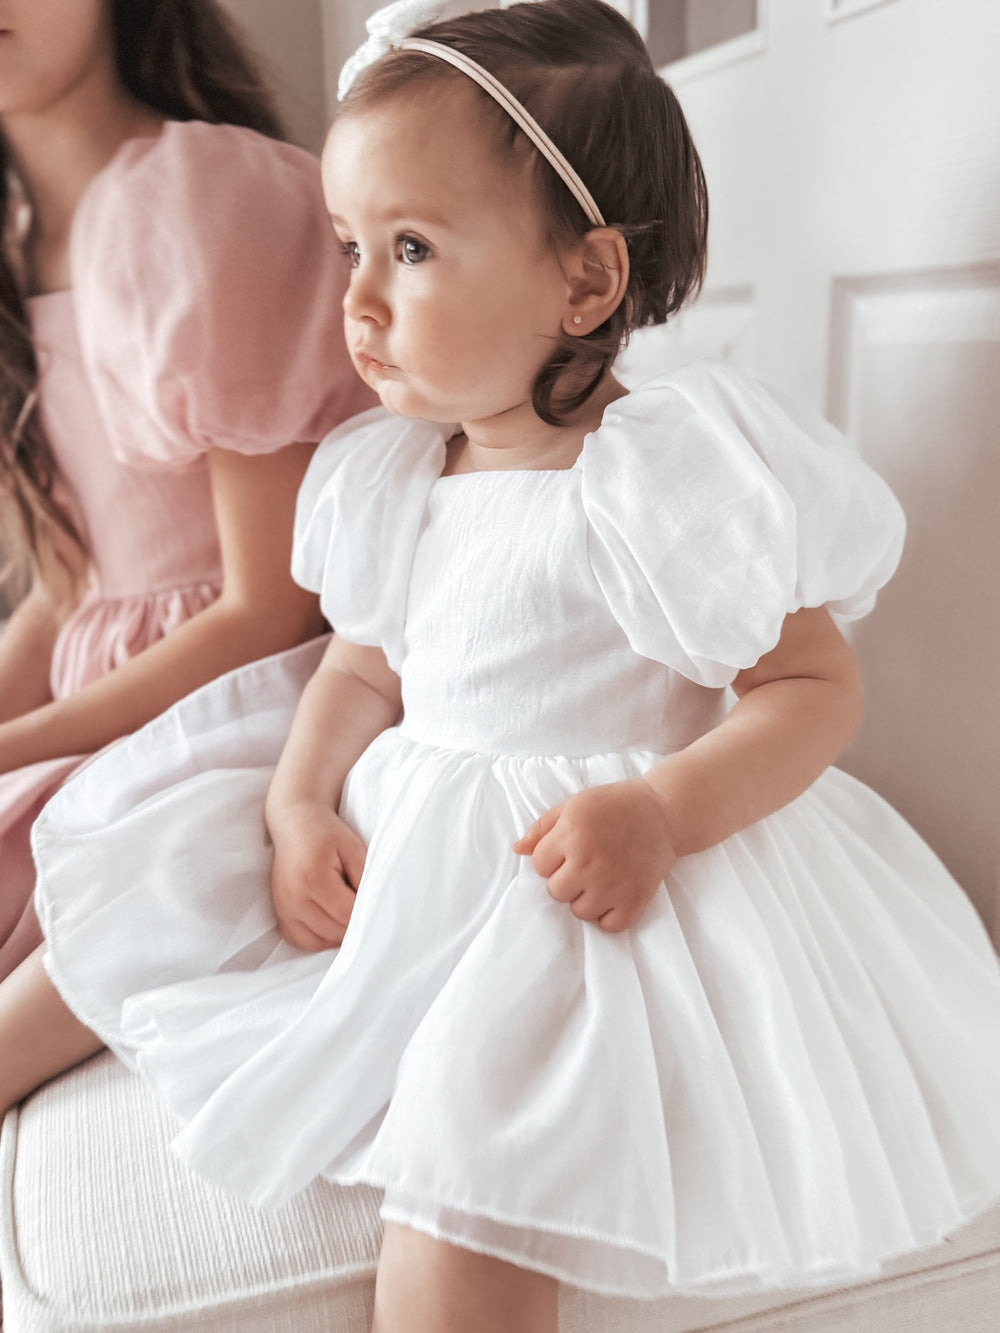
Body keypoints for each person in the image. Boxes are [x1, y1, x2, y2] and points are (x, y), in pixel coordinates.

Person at [6, 1, 1000, 1329]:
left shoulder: (656, 477)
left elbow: (813, 691)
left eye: (409, 250)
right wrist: (299, 801)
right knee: (156, 892)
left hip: (573, 873)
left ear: (584, 282)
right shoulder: (399, 471)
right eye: (350, 245)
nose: (355, 299)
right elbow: (362, 671)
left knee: (476, 1168)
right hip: (414, 834)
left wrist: (657, 810)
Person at [0, 0, 370, 977]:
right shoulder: (19, 235)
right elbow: (75, 584)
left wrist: (20, 743)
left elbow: (268, 609)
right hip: (113, 692)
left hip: (237, 699)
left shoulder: (201, 196)